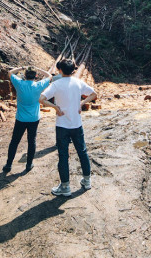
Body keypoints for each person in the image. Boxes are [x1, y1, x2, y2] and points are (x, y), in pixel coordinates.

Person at [39, 59, 97, 197]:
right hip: (77, 124)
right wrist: (81, 103)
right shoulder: (78, 82)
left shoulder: (56, 84)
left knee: (63, 155)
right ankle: (87, 181)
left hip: (62, 125)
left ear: (60, 70)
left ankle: (65, 187)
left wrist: (55, 107)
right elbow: (94, 94)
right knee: (82, 152)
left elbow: (41, 99)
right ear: (73, 70)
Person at [3, 65, 52, 173]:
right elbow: (49, 76)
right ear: (36, 76)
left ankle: (8, 164)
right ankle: (29, 164)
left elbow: (10, 72)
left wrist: (21, 67)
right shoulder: (39, 85)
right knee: (31, 141)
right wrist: (38, 69)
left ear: (25, 75)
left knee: (14, 141)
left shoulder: (19, 83)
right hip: (34, 118)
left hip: (20, 118)